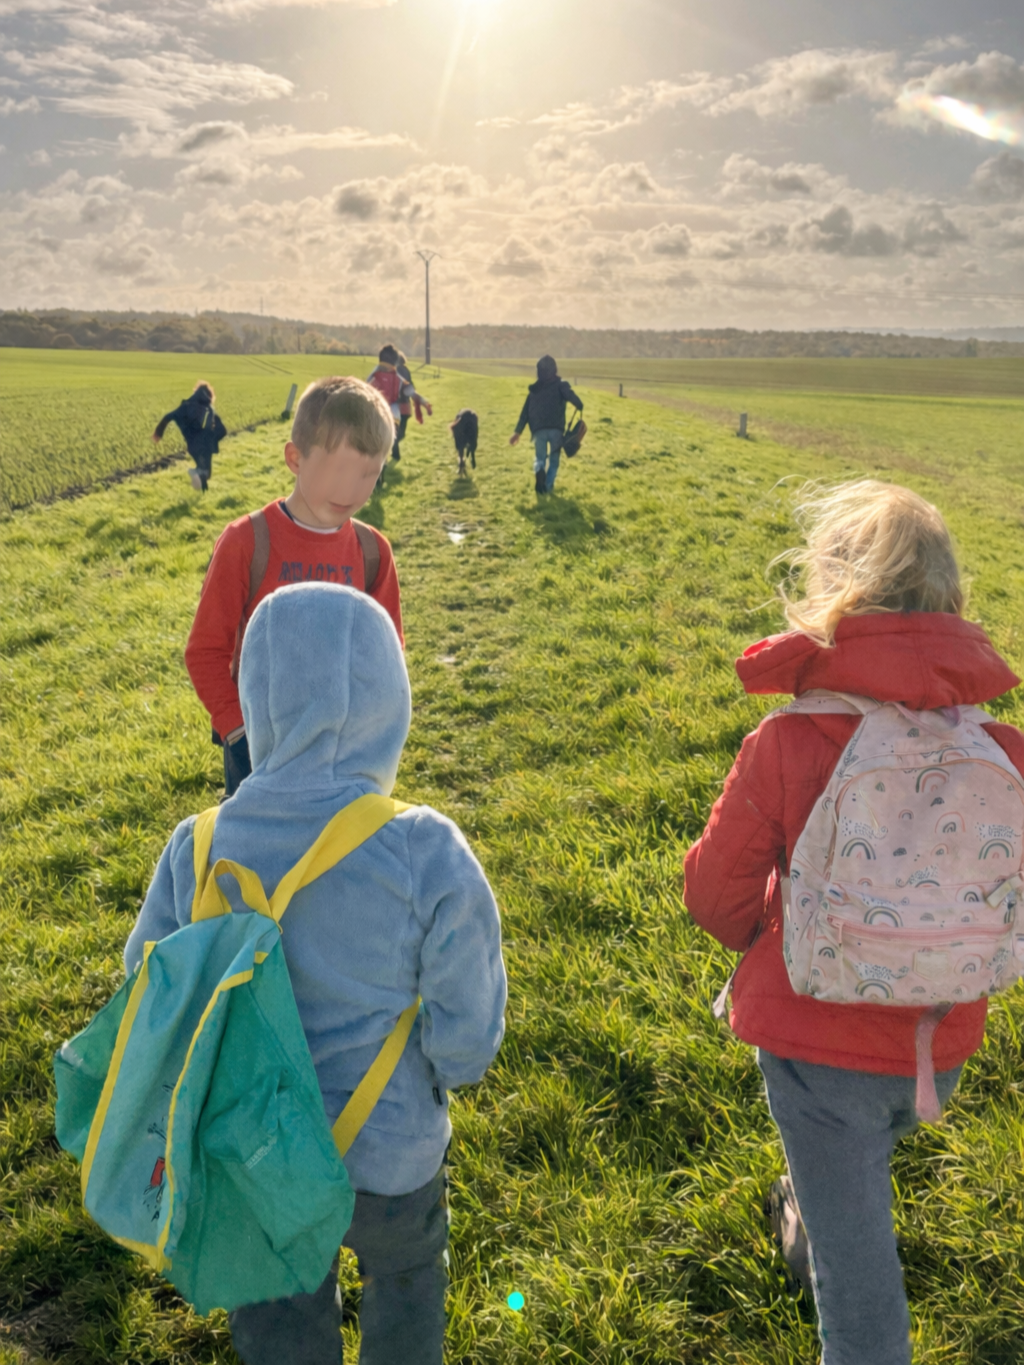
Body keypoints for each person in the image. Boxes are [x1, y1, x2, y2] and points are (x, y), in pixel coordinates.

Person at [682, 480, 1024, 1365]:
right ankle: (813, 1214)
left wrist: (776, 918)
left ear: (834, 600)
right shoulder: (1004, 751)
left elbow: (714, 898)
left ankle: (830, 1251)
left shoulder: (789, 743)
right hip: (940, 1039)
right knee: (857, 1168)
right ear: (954, 605)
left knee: (857, 1273)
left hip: (817, 1050)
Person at [126, 580, 508, 1365]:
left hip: (251, 1155)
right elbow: (467, 1015)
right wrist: (453, 1069)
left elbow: (146, 985)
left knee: (277, 1311)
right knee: (407, 1283)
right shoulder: (426, 847)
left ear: (256, 698)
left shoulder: (196, 844)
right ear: (389, 699)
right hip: (393, 1150)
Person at [185, 376, 403, 798]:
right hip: (257, 746)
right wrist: (239, 734)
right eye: (336, 470)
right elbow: (205, 651)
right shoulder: (245, 542)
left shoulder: (373, 552)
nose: (350, 490)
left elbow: (388, 655)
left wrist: (371, 736)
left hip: (345, 749)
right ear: (294, 458)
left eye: (368, 475)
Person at [509, 355, 582, 494]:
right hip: (556, 430)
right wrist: (579, 405)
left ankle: (539, 471)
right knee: (554, 460)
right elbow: (574, 399)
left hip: (538, 430)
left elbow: (525, 413)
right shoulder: (561, 385)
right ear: (554, 369)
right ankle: (548, 487)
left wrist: (517, 432)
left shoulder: (534, 390)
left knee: (539, 458)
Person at [153, 380, 227, 492]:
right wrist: (213, 440)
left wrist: (158, 432)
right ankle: (195, 474)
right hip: (205, 447)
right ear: (210, 395)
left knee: (205, 473)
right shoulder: (210, 409)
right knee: (205, 474)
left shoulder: (185, 406)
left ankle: (201, 489)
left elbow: (168, 416)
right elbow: (223, 431)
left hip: (193, 447)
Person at [367, 344, 432, 464]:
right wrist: (425, 403)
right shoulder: (398, 378)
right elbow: (412, 393)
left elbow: (362, 390)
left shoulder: (373, 376)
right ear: (395, 362)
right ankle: (382, 463)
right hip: (394, 416)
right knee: (387, 442)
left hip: (375, 415)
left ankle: (380, 465)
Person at [449, 409, 478, 475]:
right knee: (461, 446)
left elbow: (474, 439)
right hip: (466, 424)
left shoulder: (471, 424)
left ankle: (461, 465)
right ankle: (461, 465)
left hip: (469, 423)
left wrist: (472, 456)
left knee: (465, 445)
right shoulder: (459, 430)